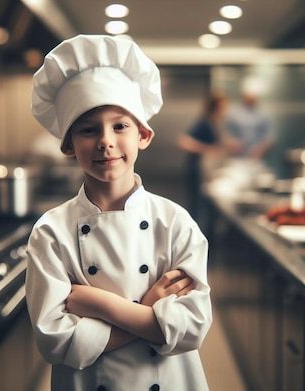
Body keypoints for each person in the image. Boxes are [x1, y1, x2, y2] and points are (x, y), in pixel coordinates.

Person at [26, 34, 212, 391]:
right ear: (67, 145)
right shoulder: (50, 232)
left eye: (120, 126)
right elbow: (54, 341)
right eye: (88, 129)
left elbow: (192, 327)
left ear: (143, 135)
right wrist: (151, 312)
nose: (105, 141)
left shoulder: (175, 223)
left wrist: (101, 304)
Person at [177, 93, 231, 222]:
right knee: (196, 206)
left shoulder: (214, 123)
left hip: (206, 171)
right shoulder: (203, 123)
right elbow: (184, 142)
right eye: (224, 106)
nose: (226, 109)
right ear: (216, 107)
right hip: (197, 169)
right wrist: (208, 149)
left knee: (204, 206)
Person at [224, 89, 275, 161]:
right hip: (237, 156)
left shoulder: (264, 114)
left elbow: (270, 137)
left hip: (258, 157)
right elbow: (226, 134)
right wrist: (232, 143)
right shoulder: (233, 113)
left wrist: (260, 149)